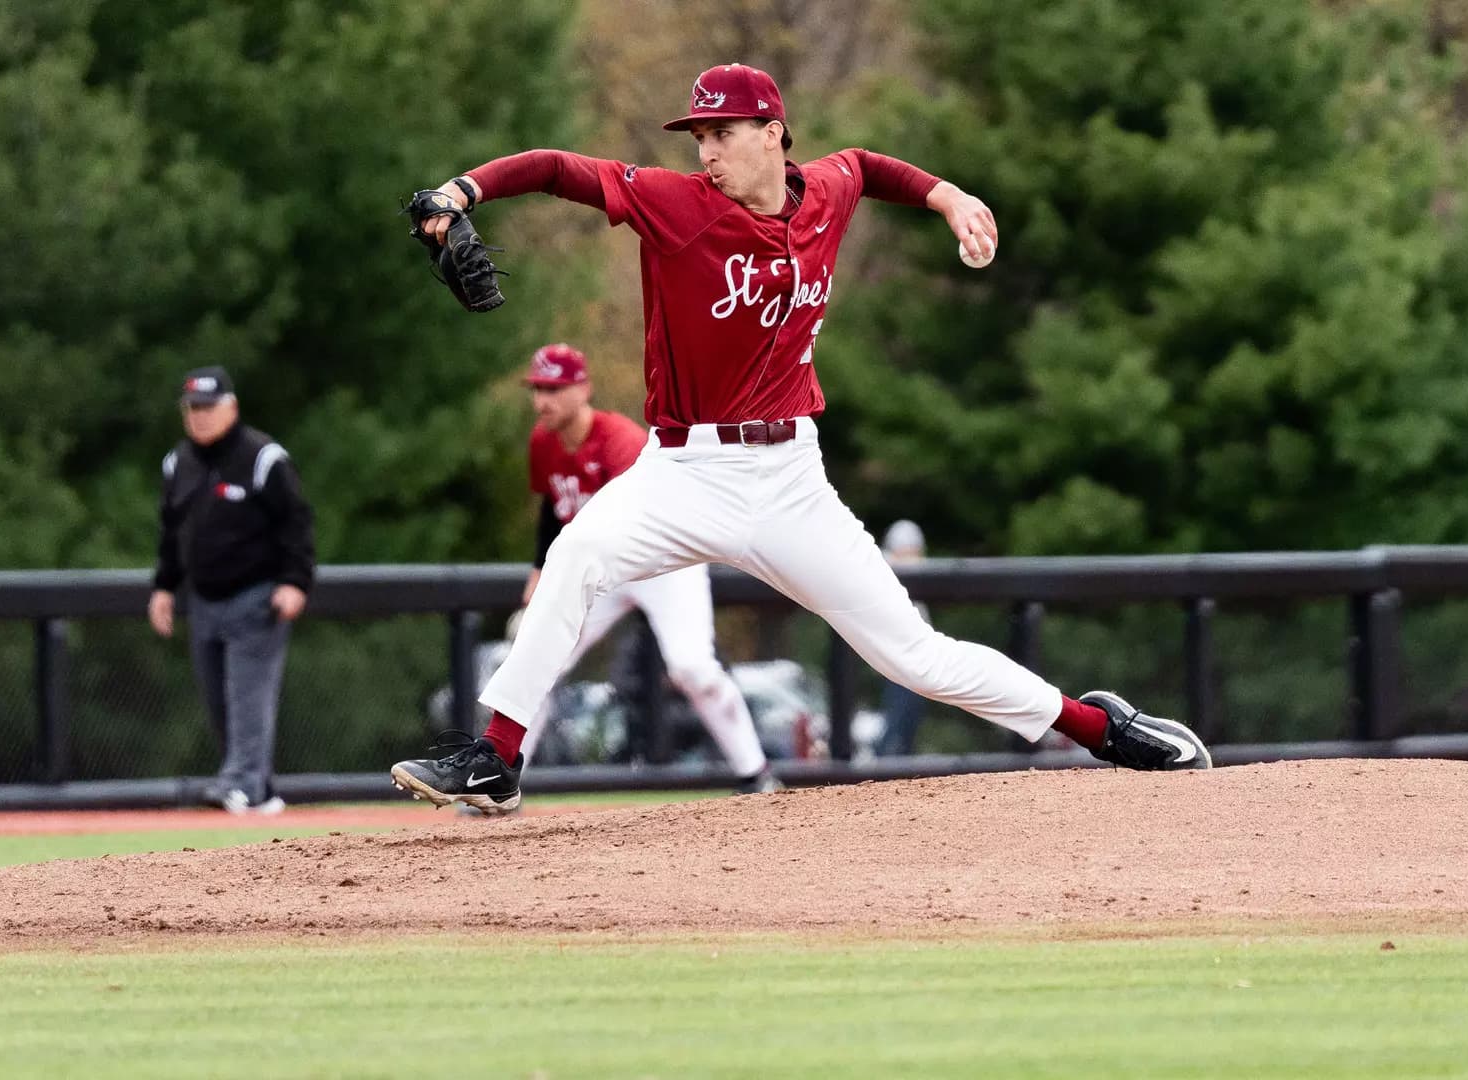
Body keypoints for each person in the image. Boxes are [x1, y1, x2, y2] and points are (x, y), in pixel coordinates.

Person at [392, 63, 1211, 816]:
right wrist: (463, 191)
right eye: (700, 137)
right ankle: (497, 758)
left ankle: (1099, 727)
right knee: (575, 557)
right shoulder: (676, 204)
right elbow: (555, 167)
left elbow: (869, 166)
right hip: (681, 470)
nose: (707, 151)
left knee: (914, 658)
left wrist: (949, 197)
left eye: (723, 133)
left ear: (773, 133)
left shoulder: (825, 190)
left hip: (790, 479)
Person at [509, 342, 781, 795]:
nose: (542, 400)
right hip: (607, 570)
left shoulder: (620, 440)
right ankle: (503, 780)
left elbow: (643, 516)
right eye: (537, 388)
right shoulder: (544, 442)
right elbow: (551, 508)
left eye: (554, 388)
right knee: (539, 662)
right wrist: (540, 570)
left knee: (693, 668)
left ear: (584, 388)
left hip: (664, 564)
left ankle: (755, 774)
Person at [149, 366, 316, 815]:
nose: (199, 417)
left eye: (208, 407)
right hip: (204, 598)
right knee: (218, 701)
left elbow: (297, 524)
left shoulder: (263, 457)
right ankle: (257, 790)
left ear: (231, 407)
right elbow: (170, 531)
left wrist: (295, 581)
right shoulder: (177, 463)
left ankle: (238, 785)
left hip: (256, 595)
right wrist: (164, 586)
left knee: (248, 696)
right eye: (192, 409)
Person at [873, 520, 929, 757]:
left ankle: (900, 761)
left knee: (910, 718)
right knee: (897, 717)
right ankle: (885, 761)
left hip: (917, 657)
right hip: (897, 656)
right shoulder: (884, 565)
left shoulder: (917, 570)